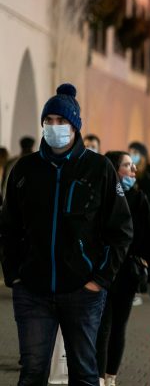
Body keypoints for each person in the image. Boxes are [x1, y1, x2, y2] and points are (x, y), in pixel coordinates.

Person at [0, 83, 133, 385]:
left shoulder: (99, 169)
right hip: (33, 290)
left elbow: (121, 230)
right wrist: (15, 275)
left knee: (84, 372)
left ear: (74, 126)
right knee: (32, 371)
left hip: (82, 291)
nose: (55, 127)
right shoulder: (26, 169)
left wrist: (99, 279)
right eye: (49, 121)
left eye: (62, 121)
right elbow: (8, 227)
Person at [96, 151, 150, 385]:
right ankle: (97, 376)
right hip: (102, 270)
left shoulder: (138, 198)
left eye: (133, 165)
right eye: (127, 166)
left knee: (118, 326)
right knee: (102, 326)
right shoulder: (99, 196)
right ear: (114, 170)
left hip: (127, 273)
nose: (134, 170)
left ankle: (110, 376)